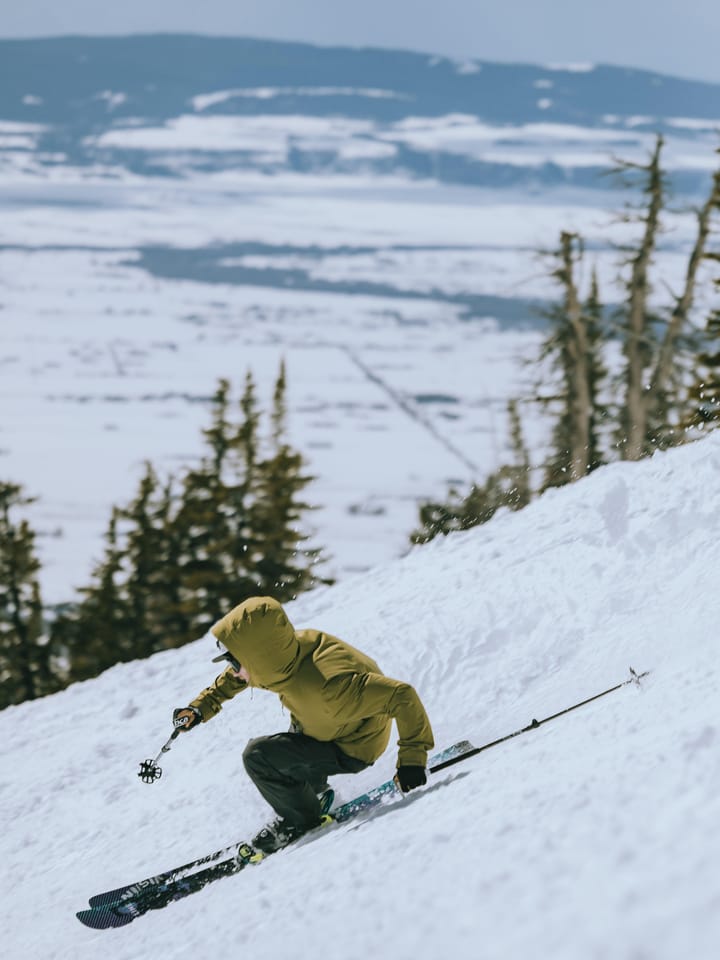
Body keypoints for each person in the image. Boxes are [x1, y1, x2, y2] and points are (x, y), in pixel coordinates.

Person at [174, 595, 434, 853]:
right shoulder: (283, 657)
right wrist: (199, 708)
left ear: (257, 659)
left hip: (352, 748)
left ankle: (302, 820)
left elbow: (401, 695)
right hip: (323, 725)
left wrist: (412, 760)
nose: (233, 670)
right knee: (287, 745)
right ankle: (314, 793)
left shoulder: (330, 686)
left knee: (259, 756)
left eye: (234, 662)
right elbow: (236, 679)